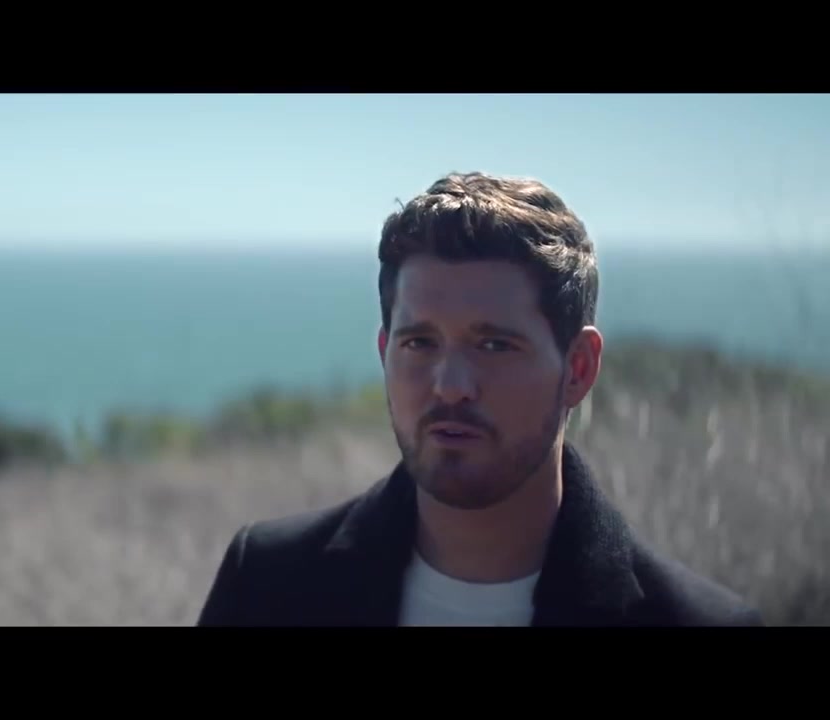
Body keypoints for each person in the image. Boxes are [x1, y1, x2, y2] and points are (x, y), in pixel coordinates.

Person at [196, 171, 763, 627]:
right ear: (385, 353)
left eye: (494, 345)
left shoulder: (693, 621)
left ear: (579, 368)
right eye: (420, 342)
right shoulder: (267, 586)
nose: (450, 384)